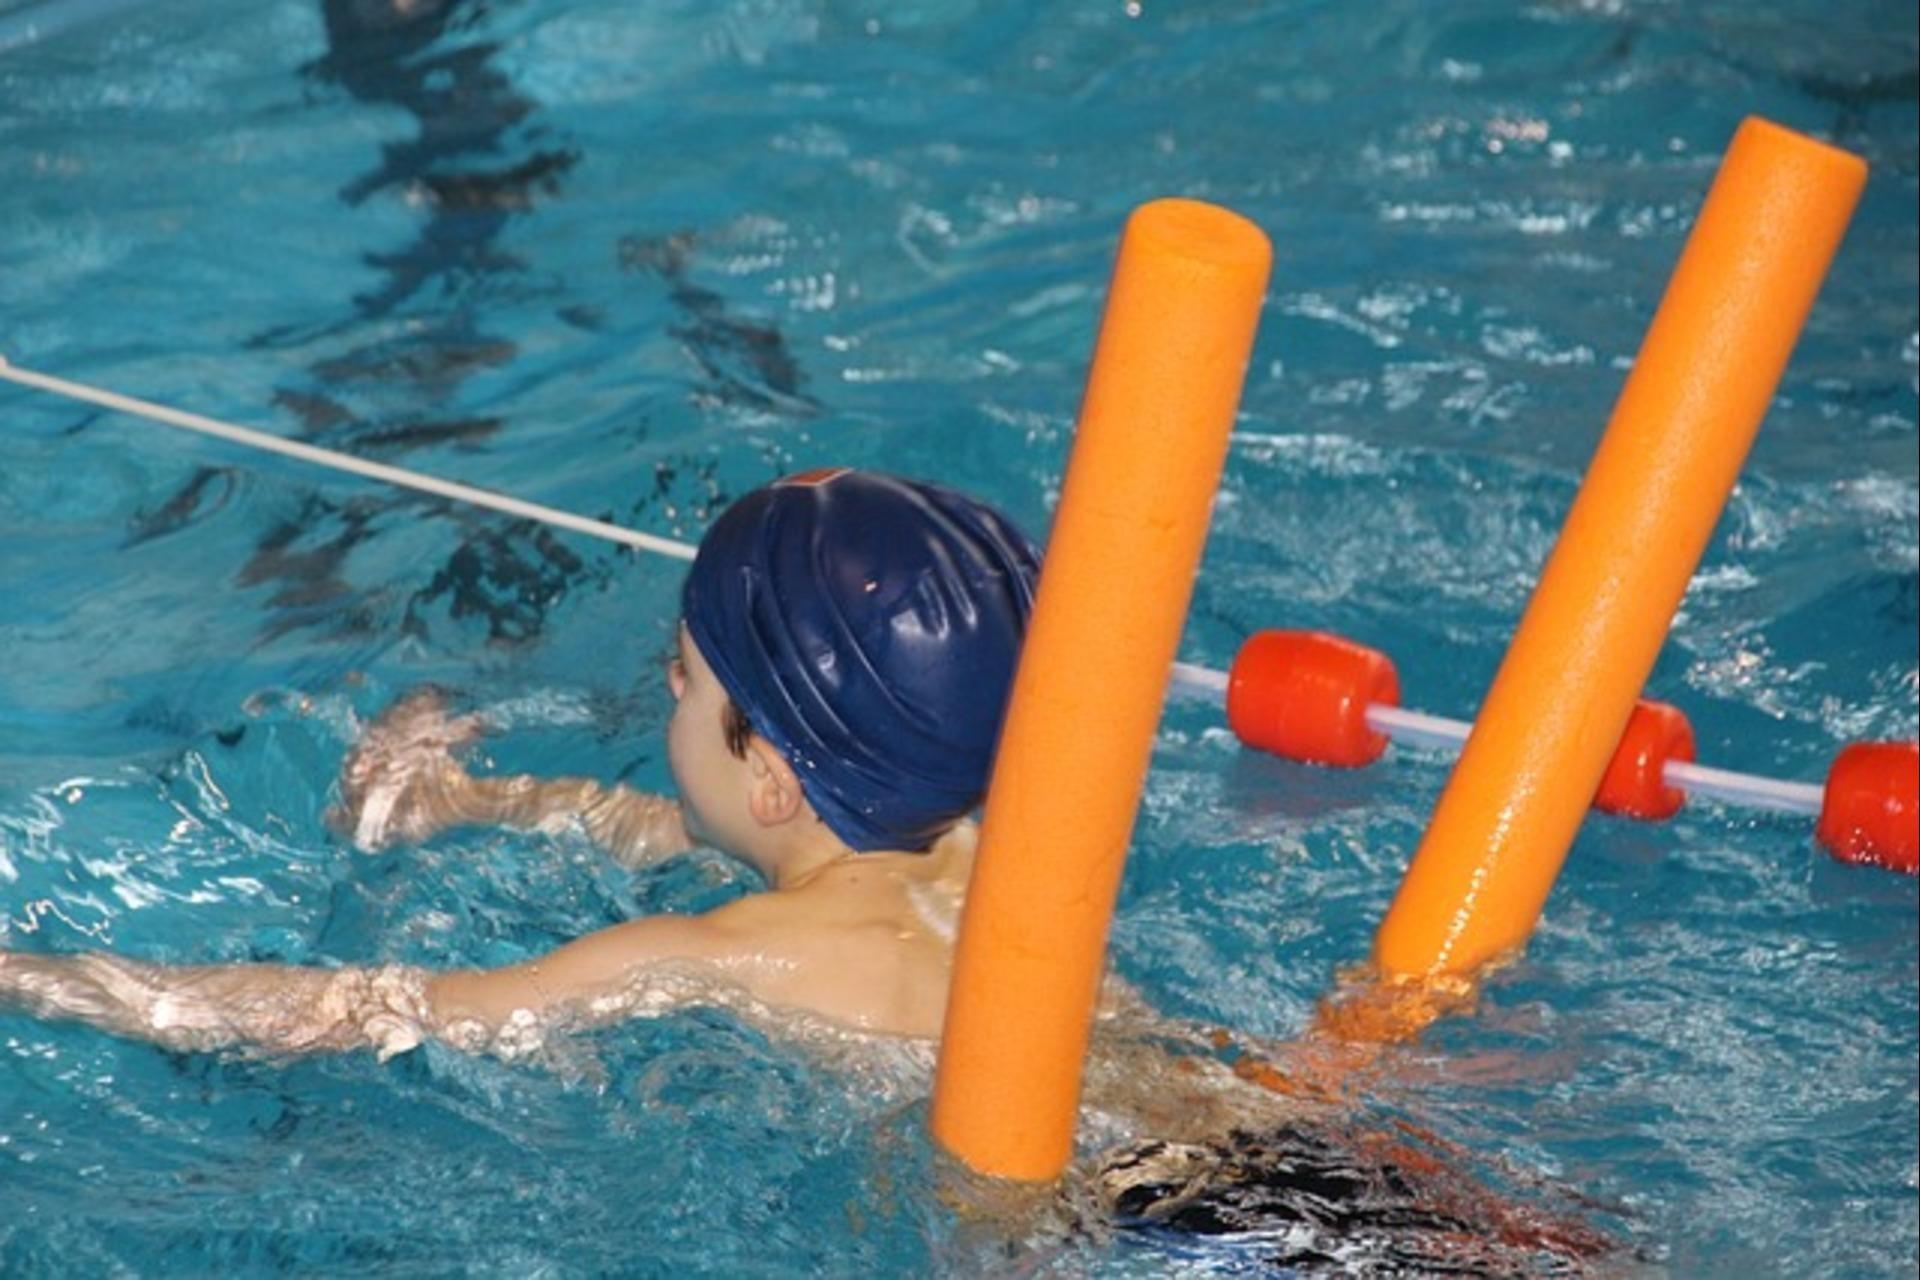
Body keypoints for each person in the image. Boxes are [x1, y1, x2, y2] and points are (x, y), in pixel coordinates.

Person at [0, 467, 1040, 1056]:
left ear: (771, 779)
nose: (667, 687)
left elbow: (381, 1008)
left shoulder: (723, 950)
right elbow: (665, 824)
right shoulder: (964, 848)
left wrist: (39, 979)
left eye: (685, 674)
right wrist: (466, 798)